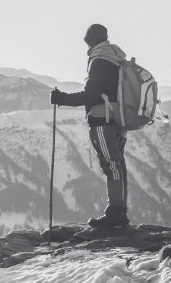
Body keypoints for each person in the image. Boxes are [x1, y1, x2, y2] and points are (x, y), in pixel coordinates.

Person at [50, 24, 130, 229]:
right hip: (117, 119)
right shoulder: (115, 58)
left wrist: (62, 98)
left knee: (112, 166)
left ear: (89, 40)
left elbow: (91, 95)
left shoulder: (99, 61)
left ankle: (115, 214)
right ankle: (120, 213)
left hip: (102, 121)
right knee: (118, 165)